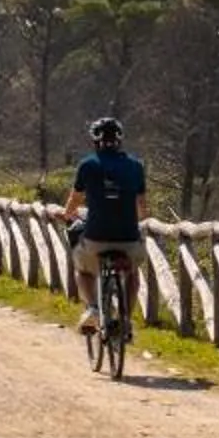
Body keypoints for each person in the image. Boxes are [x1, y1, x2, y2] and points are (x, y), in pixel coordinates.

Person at [69, 118, 148, 340]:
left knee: (83, 270)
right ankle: (125, 319)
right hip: (128, 239)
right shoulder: (135, 166)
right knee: (132, 274)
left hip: (96, 238)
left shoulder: (87, 164)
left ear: (95, 140)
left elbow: (75, 201)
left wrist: (66, 215)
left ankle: (93, 307)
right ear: (120, 140)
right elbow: (142, 207)